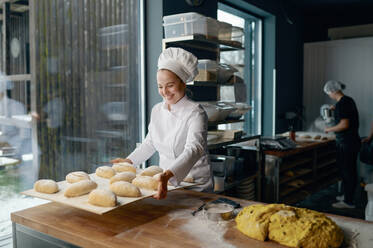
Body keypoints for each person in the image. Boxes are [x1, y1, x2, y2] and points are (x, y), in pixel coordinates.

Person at [110, 47, 213, 199]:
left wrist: (168, 174)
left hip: (195, 186)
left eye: (170, 85)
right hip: (165, 183)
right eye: (160, 86)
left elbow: (194, 149)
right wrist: (129, 161)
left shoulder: (196, 113)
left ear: (183, 83)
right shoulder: (157, 110)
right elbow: (149, 143)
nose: (165, 91)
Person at [323, 80, 360, 209]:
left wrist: (329, 129)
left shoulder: (342, 104)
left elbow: (344, 125)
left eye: (328, 93)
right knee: (348, 170)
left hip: (346, 143)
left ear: (333, 91)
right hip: (352, 141)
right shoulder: (348, 100)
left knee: (347, 171)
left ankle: (348, 202)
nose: (329, 96)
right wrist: (335, 108)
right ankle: (347, 195)